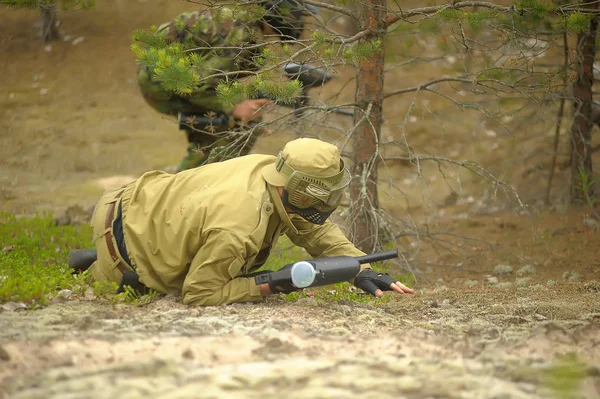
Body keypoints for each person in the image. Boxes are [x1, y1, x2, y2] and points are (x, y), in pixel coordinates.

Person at [83, 138, 414, 306]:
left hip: (139, 200)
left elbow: (314, 230)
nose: (325, 202)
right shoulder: (240, 228)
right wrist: (271, 284)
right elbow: (199, 295)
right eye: (319, 193)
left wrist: (361, 269)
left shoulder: (271, 172)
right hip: (123, 243)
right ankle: (99, 265)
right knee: (161, 283)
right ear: (296, 188)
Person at [135, 1, 315, 172]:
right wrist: (235, 107)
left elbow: (218, 79)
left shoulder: (247, 28)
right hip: (162, 82)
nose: (299, 21)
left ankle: (208, 180)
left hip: (173, 76)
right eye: (295, 15)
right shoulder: (240, 38)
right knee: (224, 133)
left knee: (245, 123)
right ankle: (188, 187)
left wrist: (242, 105)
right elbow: (198, 84)